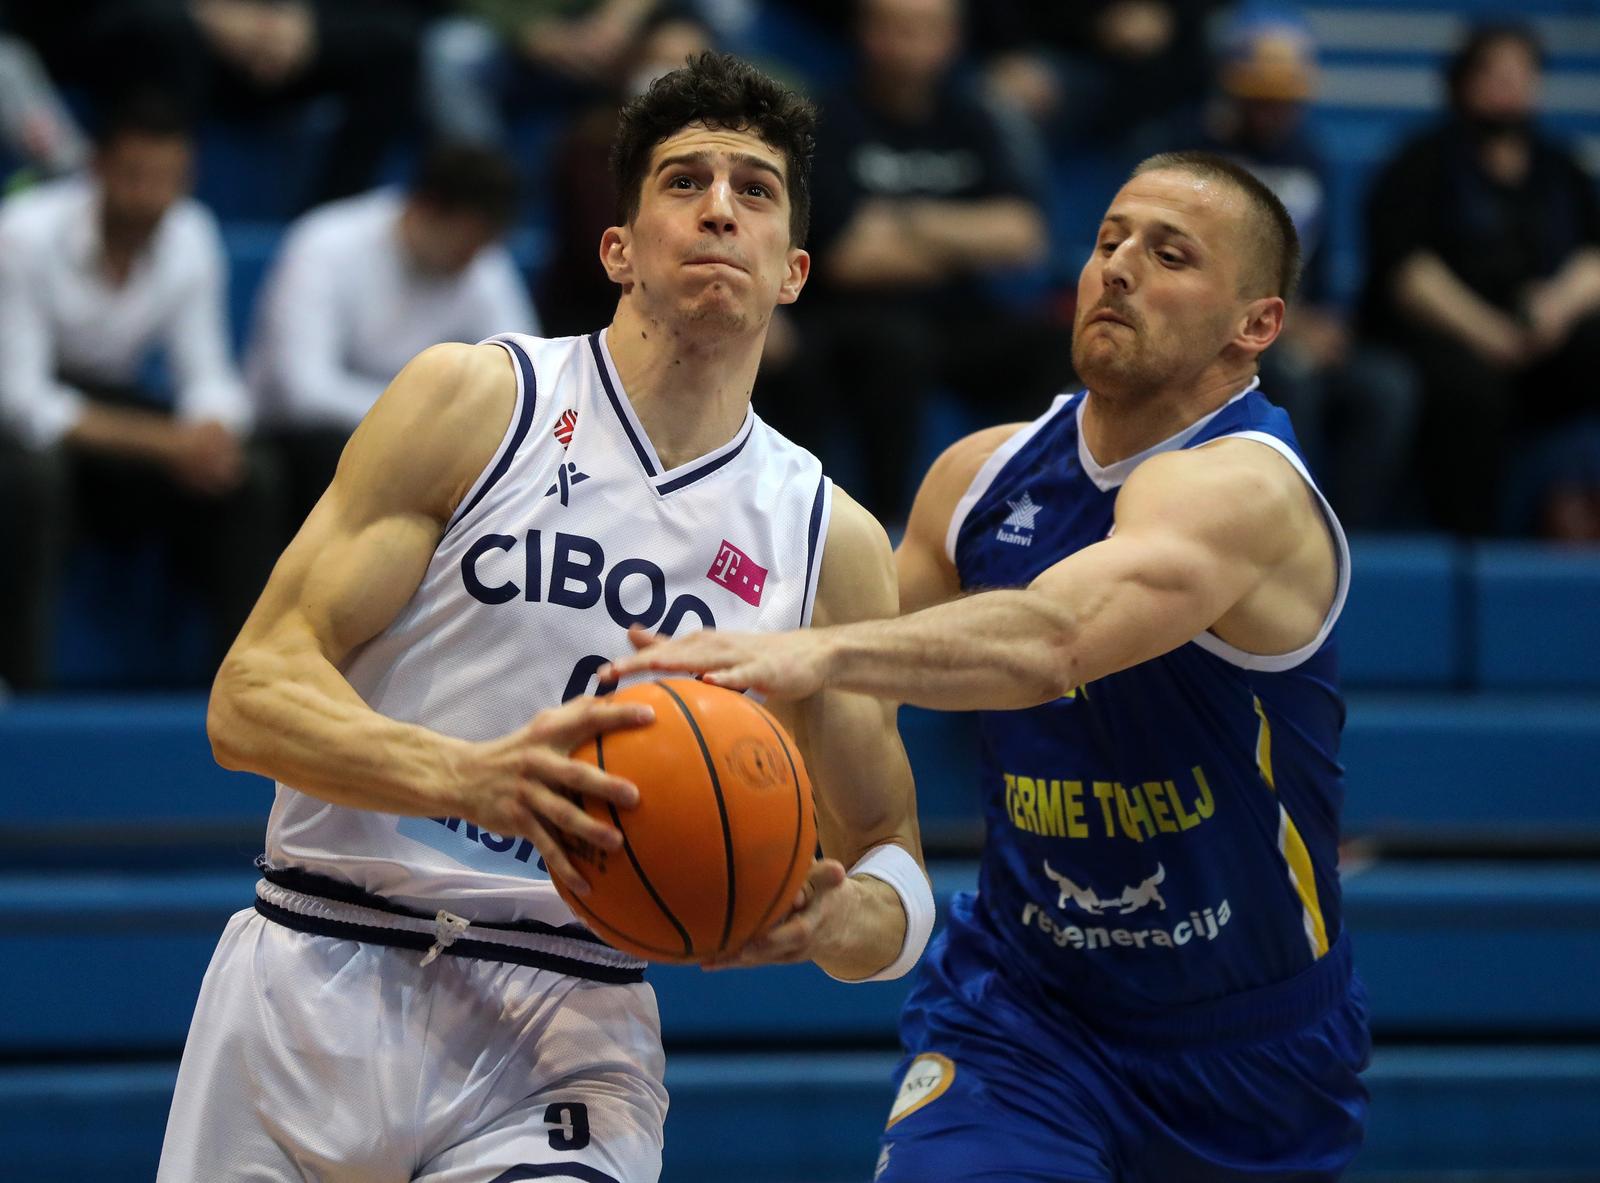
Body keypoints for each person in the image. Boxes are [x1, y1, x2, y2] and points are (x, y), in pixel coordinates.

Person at [159, 52, 931, 1182]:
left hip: (570, 1020)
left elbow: (890, 858)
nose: (719, 206)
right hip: (319, 956)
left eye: (754, 190)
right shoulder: (475, 401)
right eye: (682, 181)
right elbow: (249, 697)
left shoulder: (832, 540)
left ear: (794, 271)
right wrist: (465, 779)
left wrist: (835, 925)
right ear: (618, 248)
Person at [607, 150, 1370, 1181]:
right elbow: (840, 696)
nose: (1118, 267)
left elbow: (1047, 641)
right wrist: (801, 870)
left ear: (1257, 325)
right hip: (1022, 1008)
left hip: (1245, 1043)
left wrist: (808, 648)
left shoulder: (1248, 489)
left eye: (1169, 252)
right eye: (1107, 240)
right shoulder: (979, 477)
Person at [0, 92, 276, 691]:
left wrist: (210, 433)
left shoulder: (191, 234)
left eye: (168, 180)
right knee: (34, 478)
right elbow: (21, 398)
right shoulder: (22, 235)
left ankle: (242, 693)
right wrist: (165, 445)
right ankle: (23, 692)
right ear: (97, 168)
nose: (151, 197)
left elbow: (206, 373)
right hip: (28, 430)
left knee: (250, 476)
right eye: (135, 177)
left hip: (118, 416)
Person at [769, 0, 1066, 520]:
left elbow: (1022, 235)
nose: (909, 46)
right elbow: (847, 257)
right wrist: (964, 239)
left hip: (958, 315)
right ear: (865, 33)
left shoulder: (973, 117)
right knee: (896, 347)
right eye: (895, 29)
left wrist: (902, 222)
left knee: (1056, 343)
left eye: (926, 30)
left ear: (952, 39)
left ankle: (1019, 509)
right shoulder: (826, 120)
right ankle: (884, 527)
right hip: (853, 317)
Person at [1165, 6, 1419, 530]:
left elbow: (1321, 274)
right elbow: (1182, 267)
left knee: (1386, 386)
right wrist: (1286, 325)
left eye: (1285, 101)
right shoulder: (1190, 154)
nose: (1273, 112)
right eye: (1261, 99)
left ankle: (1343, 539)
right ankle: (1281, 534)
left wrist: (1326, 323)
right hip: (1215, 336)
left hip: (1291, 326)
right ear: (1232, 89)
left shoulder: (1310, 157)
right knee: (1290, 379)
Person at [1360, 22, 1600, 537]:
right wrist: (1490, 334)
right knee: (1470, 388)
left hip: (1542, 334)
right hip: (1449, 335)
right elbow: (1408, 275)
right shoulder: (1420, 161)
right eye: (1494, 72)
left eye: (1522, 72)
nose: (1510, 84)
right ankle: (1474, 546)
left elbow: (1592, 258)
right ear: (1462, 81)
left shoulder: (1561, 167)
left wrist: (1557, 307)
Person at [248, 141, 538, 531]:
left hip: (421, 438)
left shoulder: (480, 265)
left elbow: (527, 377)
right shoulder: (326, 243)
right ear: (426, 208)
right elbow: (305, 391)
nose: (472, 259)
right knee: (343, 456)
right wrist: (429, 422)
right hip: (294, 436)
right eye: (466, 243)